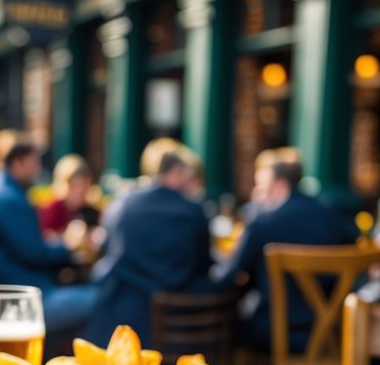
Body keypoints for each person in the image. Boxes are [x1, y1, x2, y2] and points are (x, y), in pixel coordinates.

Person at [215, 148, 359, 351]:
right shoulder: (334, 216)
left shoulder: (263, 223)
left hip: (273, 330)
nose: (256, 195)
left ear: (280, 186)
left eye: (262, 188)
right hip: (332, 330)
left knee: (234, 320)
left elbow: (229, 275)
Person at [0, 130, 98, 334]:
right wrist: (70, 244)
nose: (38, 168)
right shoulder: (8, 199)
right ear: (18, 162)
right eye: (34, 162)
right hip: (13, 305)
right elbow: (36, 253)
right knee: (103, 299)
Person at [81, 139, 214, 343]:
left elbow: (105, 247)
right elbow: (204, 263)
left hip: (116, 318)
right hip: (175, 326)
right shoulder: (192, 210)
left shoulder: (123, 203)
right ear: (176, 173)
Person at [39, 154, 100, 243]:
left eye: (84, 185)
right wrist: (67, 238)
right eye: (74, 186)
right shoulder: (52, 210)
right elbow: (44, 241)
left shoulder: (91, 211)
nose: (80, 190)